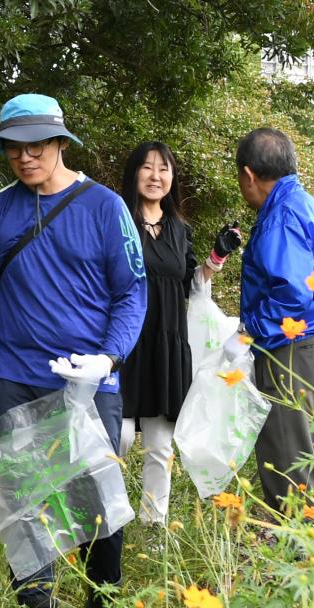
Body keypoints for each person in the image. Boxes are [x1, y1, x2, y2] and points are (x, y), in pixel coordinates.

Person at [0, 93, 147, 608]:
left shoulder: (105, 206)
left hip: (89, 382)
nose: (25, 157)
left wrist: (107, 358)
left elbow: (131, 294)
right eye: (13, 147)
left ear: (62, 143)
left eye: (37, 144)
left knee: (97, 506)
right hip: (15, 377)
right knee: (24, 503)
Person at [117, 141, 240, 528]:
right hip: (123, 343)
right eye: (148, 168)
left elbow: (192, 285)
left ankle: (154, 526)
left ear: (172, 178)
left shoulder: (178, 229)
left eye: (164, 169)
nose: (156, 177)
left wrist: (216, 258)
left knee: (159, 445)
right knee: (116, 438)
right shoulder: (116, 221)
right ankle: (109, 521)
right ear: (134, 173)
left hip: (168, 345)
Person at [235, 128, 314, 513]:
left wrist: (247, 328)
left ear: (249, 174)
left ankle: (302, 567)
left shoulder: (281, 216)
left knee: (292, 480)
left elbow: (291, 294)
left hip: (294, 354)